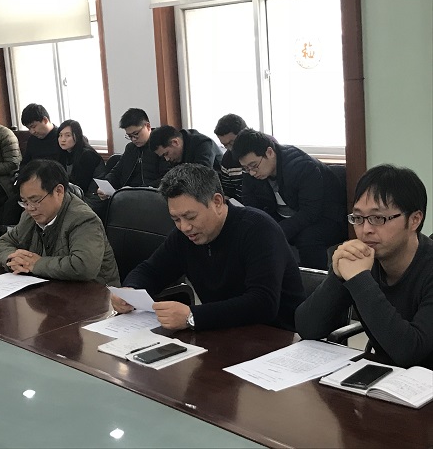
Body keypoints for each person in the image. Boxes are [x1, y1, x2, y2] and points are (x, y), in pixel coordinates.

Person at [111, 163, 304, 331]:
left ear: (217, 202)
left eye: (190, 217)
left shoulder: (258, 229)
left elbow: (263, 303)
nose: (184, 227)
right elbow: (151, 270)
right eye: (176, 219)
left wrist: (193, 316)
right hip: (224, 333)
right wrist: (130, 291)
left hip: (277, 337)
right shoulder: (184, 236)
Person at [296, 164, 433, 369]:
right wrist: (338, 277)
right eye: (358, 218)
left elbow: (410, 353)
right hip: (386, 378)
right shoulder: (363, 258)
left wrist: (360, 280)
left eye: (378, 218)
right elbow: (307, 328)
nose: (365, 229)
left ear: (414, 220)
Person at [233, 128, 346, 270]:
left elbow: (310, 212)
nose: (251, 172)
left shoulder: (301, 166)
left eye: (254, 166)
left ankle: (314, 279)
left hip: (327, 216)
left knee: (307, 238)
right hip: (289, 217)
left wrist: (275, 231)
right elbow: (252, 208)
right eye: (246, 168)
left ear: (269, 152)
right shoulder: (251, 173)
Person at [0, 159, 120, 285]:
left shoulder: (83, 219)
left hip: (94, 293)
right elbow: (1, 243)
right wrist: (13, 259)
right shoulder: (28, 216)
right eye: (24, 202)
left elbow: (83, 266)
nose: (30, 208)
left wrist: (36, 264)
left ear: (59, 191)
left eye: (35, 200)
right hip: (50, 288)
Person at [97, 108, 171, 197]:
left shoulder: (161, 147)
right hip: (128, 196)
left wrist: (136, 190)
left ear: (147, 126)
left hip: (152, 196)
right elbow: (117, 171)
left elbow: (166, 178)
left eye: (136, 134)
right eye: (129, 136)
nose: (133, 139)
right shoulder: (130, 148)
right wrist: (105, 186)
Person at [57, 119, 105, 195]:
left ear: (77, 136)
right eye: (60, 135)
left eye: (68, 135)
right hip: (74, 194)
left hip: (92, 196)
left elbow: (82, 186)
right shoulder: (65, 153)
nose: (62, 139)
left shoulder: (87, 155)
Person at [149, 125, 223, 171]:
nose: (167, 159)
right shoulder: (173, 157)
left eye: (166, 154)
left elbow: (201, 177)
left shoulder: (203, 144)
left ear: (175, 142)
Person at [214, 114, 247, 202]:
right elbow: (228, 193)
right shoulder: (227, 160)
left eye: (232, 143)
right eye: (225, 145)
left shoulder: (262, 151)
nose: (230, 148)